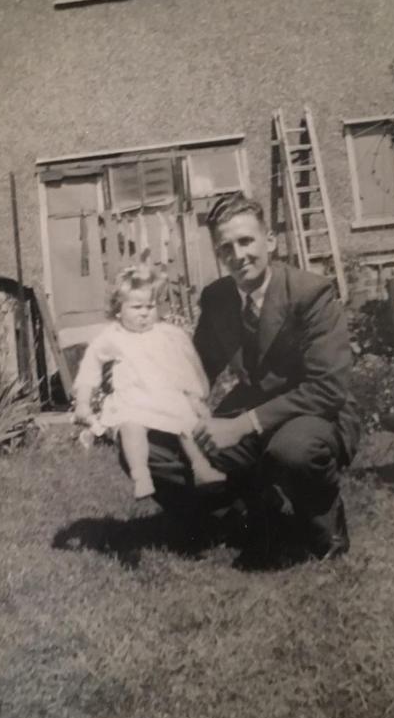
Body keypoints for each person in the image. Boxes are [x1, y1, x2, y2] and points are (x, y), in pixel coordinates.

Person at [147, 192, 361, 569]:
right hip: (250, 413)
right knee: (153, 446)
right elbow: (197, 371)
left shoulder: (311, 293)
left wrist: (241, 425)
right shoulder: (218, 298)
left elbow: (327, 388)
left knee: (292, 451)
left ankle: (325, 529)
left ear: (270, 240)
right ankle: (226, 518)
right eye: (226, 247)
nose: (238, 255)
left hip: (315, 415)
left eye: (246, 241)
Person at [73, 265, 225, 500]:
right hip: (133, 397)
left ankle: (200, 467)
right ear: (118, 310)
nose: (145, 313)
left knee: (186, 422)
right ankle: (141, 475)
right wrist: (83, 401)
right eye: (136, 307)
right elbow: (90, 367)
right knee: (131, 426)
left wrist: (194, 396)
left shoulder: (165, 333)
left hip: (166, 395)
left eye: (150, 306)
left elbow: (184, 367)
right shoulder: (113, 336)